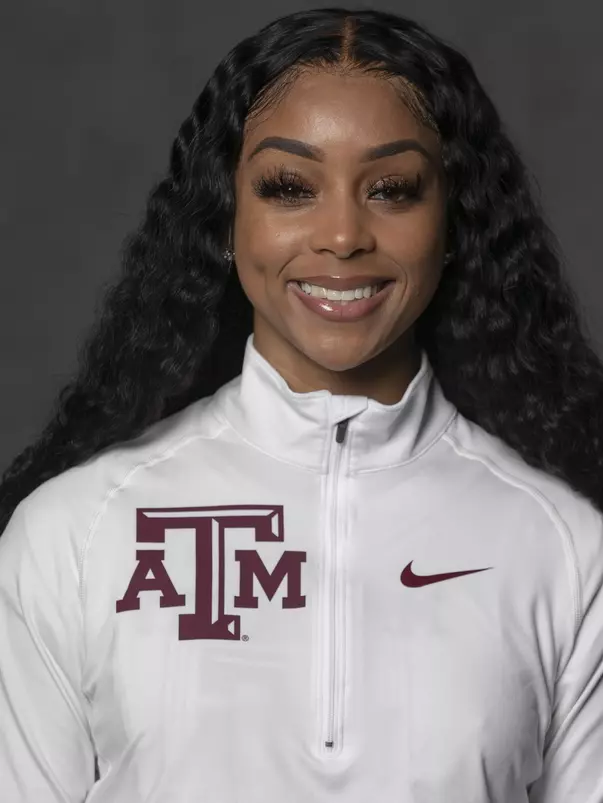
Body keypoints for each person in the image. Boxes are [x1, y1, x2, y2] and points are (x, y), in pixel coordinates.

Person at [1, 6, 602, 802]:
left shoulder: (566, 546)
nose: (343, 235)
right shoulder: (72, 533)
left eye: (391, 189)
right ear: (225, 217)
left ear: (452, 222)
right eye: (289, 187)